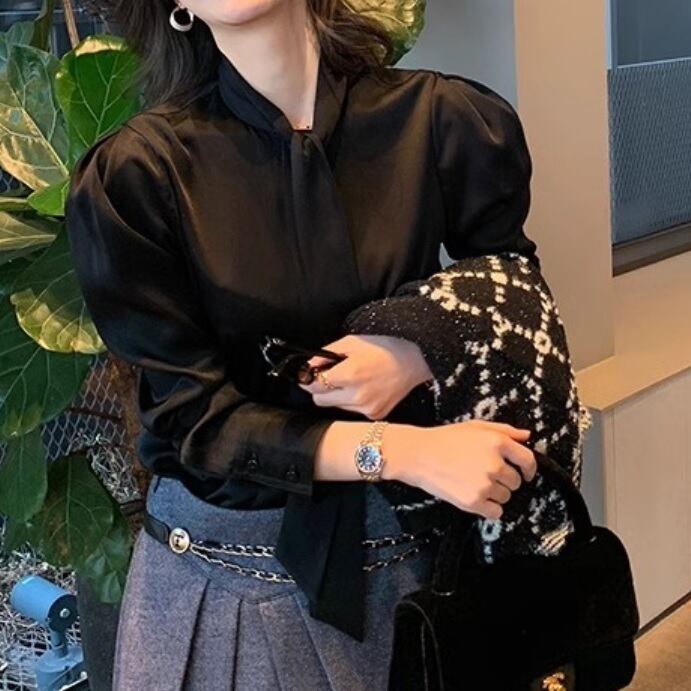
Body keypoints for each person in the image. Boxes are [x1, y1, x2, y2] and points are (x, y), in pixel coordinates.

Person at [66, 1, 540, 689]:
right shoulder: (137, 176)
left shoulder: (443, 120)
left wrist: (419, 348)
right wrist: (401, 450)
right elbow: (196, 422)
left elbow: (512, 297)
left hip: (421, 575)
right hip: (225, 586)